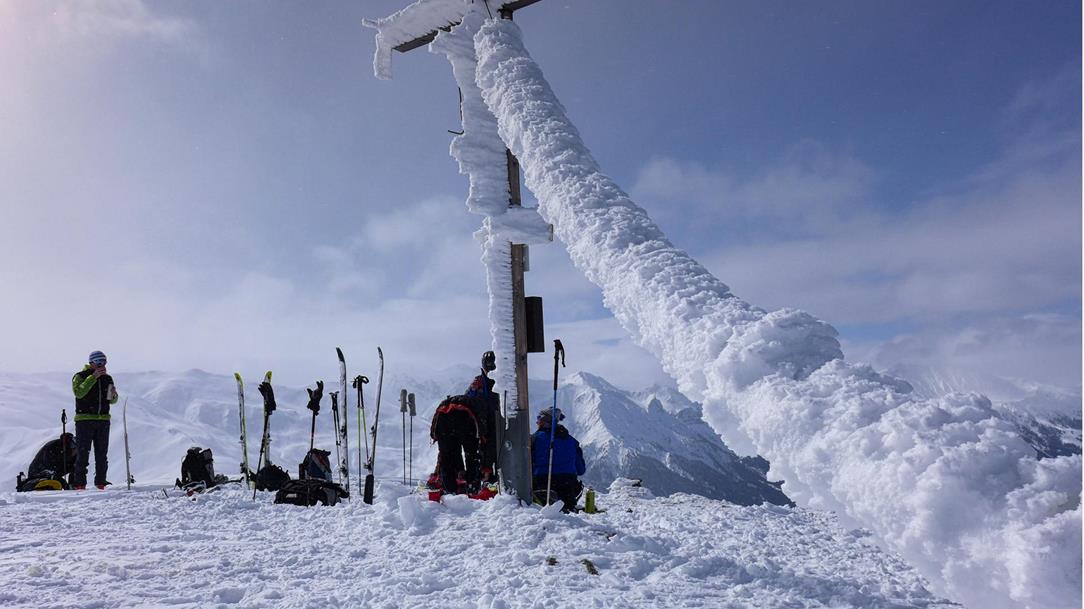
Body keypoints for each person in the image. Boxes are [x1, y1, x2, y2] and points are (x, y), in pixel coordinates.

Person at [71, 350, 119, 490]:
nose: (101, 365)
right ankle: (79, 484)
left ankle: (101, 483)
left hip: (103, 419)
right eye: (98, 362)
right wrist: (93, 378)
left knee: (102, 454)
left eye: (104, 362)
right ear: (91, 362)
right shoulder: (80, 376)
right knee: (83, 453)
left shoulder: (107, 378)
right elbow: (79, 393)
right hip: (84, 419)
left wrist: (114, 395)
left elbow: (112, 401)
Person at [531, 408, 586, 512]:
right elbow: (581, 470)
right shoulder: (573, 442)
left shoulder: (534, 439)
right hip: (568, 492)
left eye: (539, 418)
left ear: (545, 420)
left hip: (542, 490)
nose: (537, 422)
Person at [465, 350, 501, 483]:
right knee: (486, 454)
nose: (490, 369)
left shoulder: (503, 381)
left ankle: (495, 480)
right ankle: (487, 480)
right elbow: (467, 399)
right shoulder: (478, 382)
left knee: (496, 453)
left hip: (498, 422)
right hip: (484, 425)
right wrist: (473, 390)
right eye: (488, 365)